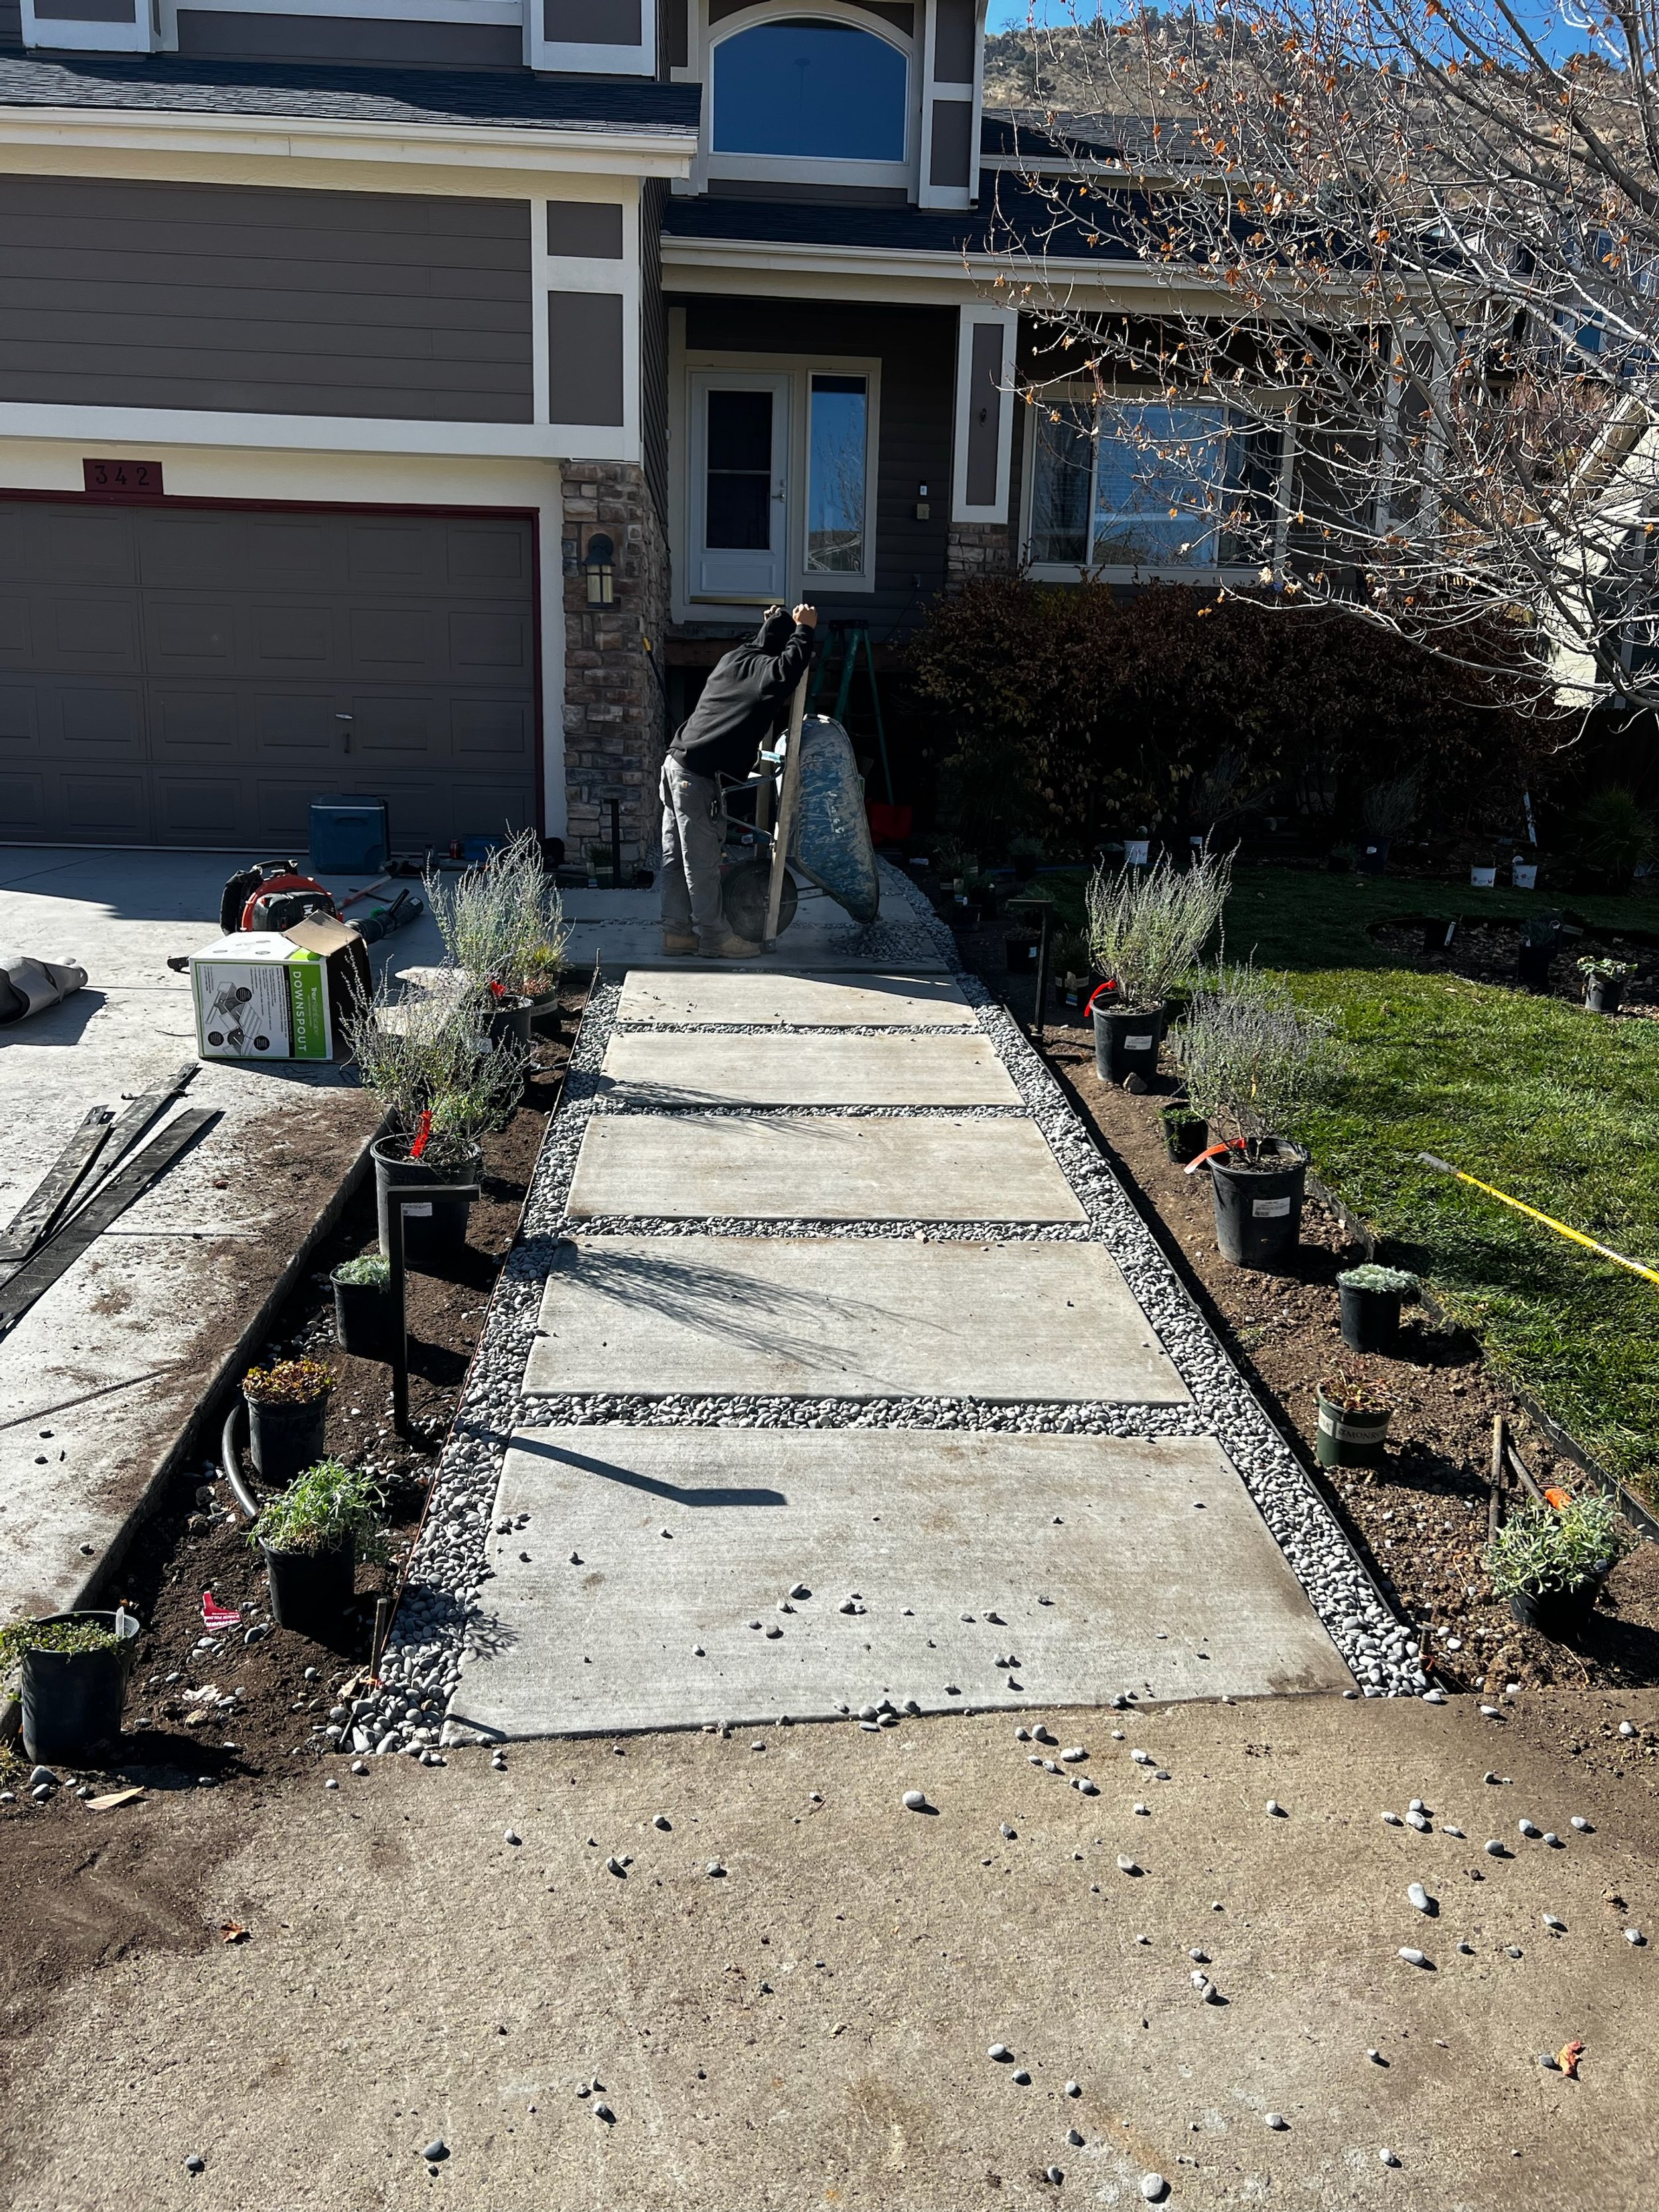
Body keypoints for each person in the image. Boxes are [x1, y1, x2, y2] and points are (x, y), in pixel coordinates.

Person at [659, 602, 818, 956]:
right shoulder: (765, 679)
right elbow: (789, 669)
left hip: (674, 765)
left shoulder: (733, 660)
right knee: (701, 862)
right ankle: (715, 939)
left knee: (675, 856)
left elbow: (763, 645)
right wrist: (805, 630)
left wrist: (776, 622)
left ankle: (676, 933)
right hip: (695, 778)